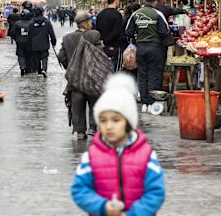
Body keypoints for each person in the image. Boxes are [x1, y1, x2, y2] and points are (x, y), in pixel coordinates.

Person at [71, 74, 166, 215]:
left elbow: (156, 192)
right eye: (103, 120)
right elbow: (80, 190)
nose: (109, 126)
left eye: (116, 120)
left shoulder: (145, 155)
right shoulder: (92, 156)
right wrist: (102, 207)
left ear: (128, 122)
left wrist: (134, 214)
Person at [58, 12, 104, 139]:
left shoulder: (67, 38)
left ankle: (80, 132)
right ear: (86, 23)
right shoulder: (94, 35)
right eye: (90, 22)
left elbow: (61, 56)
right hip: (91, 77)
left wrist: (71, 66)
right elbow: (99, 54)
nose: (91, 23)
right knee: (94, 101)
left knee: (76, 104)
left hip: (75, 78)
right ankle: (93, 128)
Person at [125, 0, 170, 114]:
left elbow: (128, 32)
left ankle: (144, 103)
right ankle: (152, 103)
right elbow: (165, 31)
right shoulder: (158, 14)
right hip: (155, 48)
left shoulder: (136, 14)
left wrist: (138, 35)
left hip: (141, 48)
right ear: (156, 1)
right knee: (154, 75)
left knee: (142, 75)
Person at [96, 0, 124, 71]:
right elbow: (116, 31)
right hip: (114, 46)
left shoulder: (100, 14)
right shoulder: (117, 15)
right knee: (115, 70)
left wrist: (102, 42)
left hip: (102, 47)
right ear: (115, 0)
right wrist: (106, 42)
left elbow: (97, 29)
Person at [28, 4, 56, 77]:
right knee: (44, 57)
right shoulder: (47, 21)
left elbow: (29, 34)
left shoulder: (31, 23)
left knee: (36, 57)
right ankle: (44, 69)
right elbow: (52, 33)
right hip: (44, 43)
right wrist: (53, 42)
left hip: (34, 43)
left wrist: (29, 43)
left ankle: (39, 70)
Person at [10, 9, 32, 76]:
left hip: (20, 42)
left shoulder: (17, 23)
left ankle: (22, 66)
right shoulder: (31, 23)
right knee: (29, 55)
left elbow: (12, 32)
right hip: (29, 42)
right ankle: (28, 68)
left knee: (21, 55)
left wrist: (16, 39)